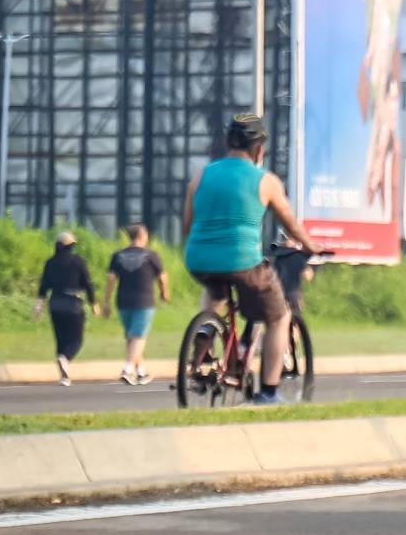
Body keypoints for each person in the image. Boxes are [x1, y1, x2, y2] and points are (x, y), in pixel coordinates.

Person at [181, 118, 315, 406]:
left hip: (198, 259)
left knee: (216, 290)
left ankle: (206, 331)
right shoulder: (265, 180)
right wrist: (309, 245)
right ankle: (268, 392)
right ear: (259, 149)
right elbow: (290, 224)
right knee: (279, 318)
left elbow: (187, 225)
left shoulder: (201, 176)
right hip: (242, 262)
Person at [103, 225, 171, 387]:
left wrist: (106, 302)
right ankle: (127, 369)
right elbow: (162, 276)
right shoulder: (151, 255)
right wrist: (164, 293)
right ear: (142, 235)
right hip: (144, 300)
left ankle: (141, 372)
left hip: (123, 300)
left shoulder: (117, 255)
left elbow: (111, 279)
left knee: (132, 337)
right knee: (139, 337)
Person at [38, 231, 96, 382]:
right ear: (71, 246)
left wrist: (39, 305)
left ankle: (64, 376)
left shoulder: (50, 262)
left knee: (61, 339)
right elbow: (88, 283)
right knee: (77, 339)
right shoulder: (78, 261)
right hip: (73, 304)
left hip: (55, 303)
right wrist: (93, 303)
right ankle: (65, 358)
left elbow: (43, 286)